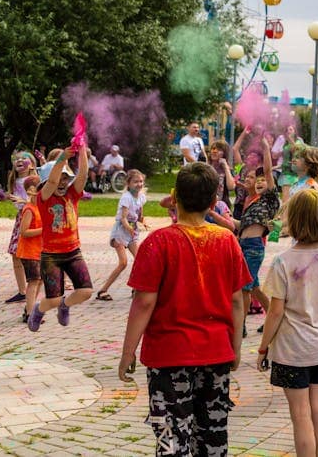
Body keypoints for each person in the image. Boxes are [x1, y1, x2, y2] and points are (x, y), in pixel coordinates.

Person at [118, 162, 251, 457]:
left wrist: (128, 352)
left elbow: (144, 302)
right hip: (216, 352)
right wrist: (236, 348)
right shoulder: (227, 240)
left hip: (168, 356)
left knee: (171, 438)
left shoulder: (158, 242)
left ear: (174, 198)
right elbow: (237, 300)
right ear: (213, 202)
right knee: (213, 437)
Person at [256, 189, 318, 457]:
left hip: (291, 352)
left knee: (300, 415)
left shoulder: (283, 262)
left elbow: (275, 313)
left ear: (295, 220)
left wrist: (263, 347)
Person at [28, 146, 92, 331]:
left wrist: (81, 153)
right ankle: (38, 310)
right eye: (59, 179)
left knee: (86, 291)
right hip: (51, 256)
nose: (62, 182)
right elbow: (53, 179)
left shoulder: (73, 194)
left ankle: (65, 305)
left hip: (73, 252)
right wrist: (63, 157)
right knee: (53, 299)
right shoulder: (44, 198)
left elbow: (83, 175)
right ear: (46, 183)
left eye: (66, 178)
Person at [231, 135, 279, 332]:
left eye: (263, 180)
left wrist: (266, 149)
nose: (260, 182)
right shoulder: (251, 202)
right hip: (243, 245)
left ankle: (240, 326)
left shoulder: (269, 199)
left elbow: (268, 171)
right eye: (256, 180)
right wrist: (218, 217)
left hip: (253, 248)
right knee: (255, 288)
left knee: (244, 287)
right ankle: (276, 320)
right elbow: (241, 225)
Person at [95, 170, 149, 300]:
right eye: (136, 181)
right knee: (123, 263)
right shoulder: (126, 197)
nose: (139, 184)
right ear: (128, 184)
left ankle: (135, 288)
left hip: (132, 231)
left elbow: (139, 214)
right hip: (121, 232)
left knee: (140, 260)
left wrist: (143, 222)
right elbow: (123, 218)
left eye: (141, 181)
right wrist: (129, 228)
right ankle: (102, 290)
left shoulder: (141, 197)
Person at [4, 151, 36, 305]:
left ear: (32, 163)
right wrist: (5, 197)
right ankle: (22, 291)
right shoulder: (14, 180)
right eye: (17, 158)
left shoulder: (35, 179)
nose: (20, 160)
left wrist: (22, 201)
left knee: (30, 254)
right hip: (20, 218)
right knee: (15, 254)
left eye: (24, 158)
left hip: (31, 219)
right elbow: (17, 201)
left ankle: (33, 287)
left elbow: (36, 200)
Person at [13, 174, 43, 324]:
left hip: (39, 251)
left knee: (40, 280)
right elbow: (23, 232)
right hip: (28, 252)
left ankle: (28, 308)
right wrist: (43, 230)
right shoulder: (29, 209)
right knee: (33, 281)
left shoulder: (40, 207)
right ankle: (31, 314)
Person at [207, 140, 236, 205]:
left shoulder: (228, 170)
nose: (215, 151)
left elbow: (231, 187)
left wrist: (226, 167)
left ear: (224, 153)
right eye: (213, 149)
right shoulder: (206, 168)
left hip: (222, 204)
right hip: (207, 204)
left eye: (219, 149)